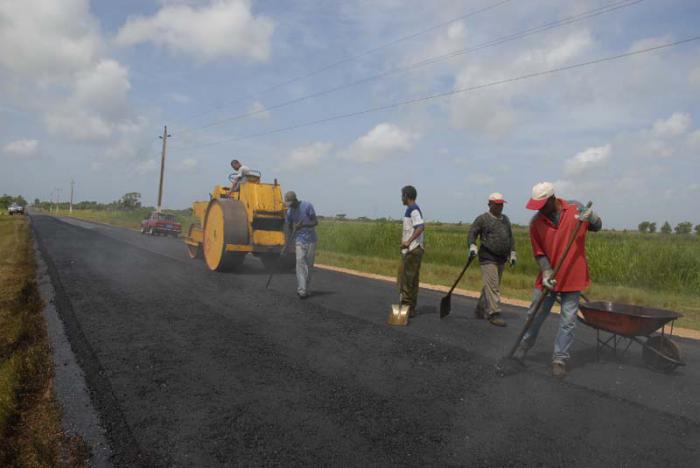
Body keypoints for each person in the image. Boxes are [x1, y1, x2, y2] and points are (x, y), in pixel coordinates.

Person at [518, 182, 602, 378]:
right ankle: (522, 346)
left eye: (541, 204)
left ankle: (559, 359)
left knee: (568, 320)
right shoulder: (535, 223)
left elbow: (597, 226)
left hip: (573, 276)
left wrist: (593, 217)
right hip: (549, 278)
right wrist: (546, 272)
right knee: (534, 314)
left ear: (552, 199)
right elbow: (539, 253)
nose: (539, 210)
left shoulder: (575, 208)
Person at [467, 192, 516, 327]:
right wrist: (472, 245)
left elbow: (510, 237)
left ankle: (480, 309)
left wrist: (513, 253)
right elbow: (472, 232)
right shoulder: (483, 219)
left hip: (501, 258)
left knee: (491, 286)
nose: (500, 207)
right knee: (493, 286)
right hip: (487, 256)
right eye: (497, 204)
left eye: (501, 204)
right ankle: (493, 313)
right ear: (490, 204)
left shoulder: (505, 219)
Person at [398, 185, 425, 319]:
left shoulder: (413, 209)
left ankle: (406, 308)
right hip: (415, 249)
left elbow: (420, 227)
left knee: (407, 280)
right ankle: (411, 308)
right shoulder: (411, 209)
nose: (401, 198)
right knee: (412, 280)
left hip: (412, 250)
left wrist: (408, 241)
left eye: (402, 195)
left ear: (407, 196)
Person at [284, 191, 318, 299]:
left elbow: (315, 222)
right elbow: (289, 227)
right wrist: (287, 242)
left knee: (309, 265)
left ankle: (306, 288)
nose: (290, 206)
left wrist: (303, 225)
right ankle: (302, 290)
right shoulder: (289, 212)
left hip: (311, 240)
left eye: (291, 203)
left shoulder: (307, 206)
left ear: (295, 200)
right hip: (299, 240)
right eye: (288, 204)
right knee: (299, 263)